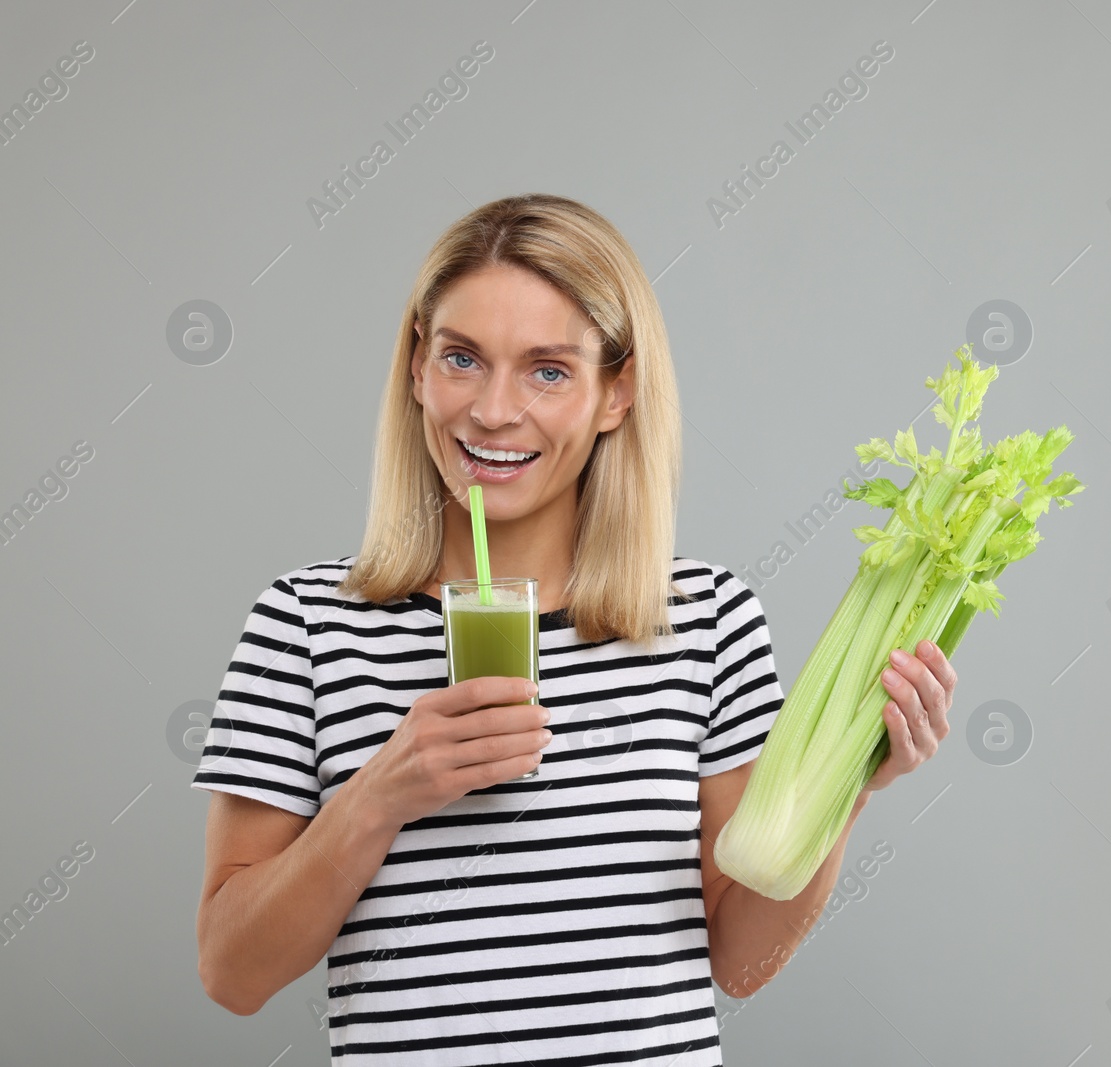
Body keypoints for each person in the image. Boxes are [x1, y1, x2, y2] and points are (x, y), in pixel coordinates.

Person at [191, 193, 958, 1066]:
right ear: (415, 367)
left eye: (548, 371)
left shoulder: (705, 621)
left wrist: (846, 784)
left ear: (616, 392)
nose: (492, 411)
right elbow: (231, 971)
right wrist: (383, 792)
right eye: (462, 359)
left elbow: (742, 963)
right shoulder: (303, 625)